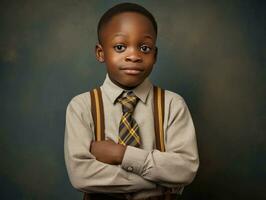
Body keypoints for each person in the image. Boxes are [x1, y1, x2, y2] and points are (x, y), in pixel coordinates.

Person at [64, 2, 199, 200]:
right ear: (101, 53)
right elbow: (81, 176)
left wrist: (122, 154)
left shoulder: (173, 104)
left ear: (155, 55)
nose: (134, 56)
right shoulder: (81, 107)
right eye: (120, 47)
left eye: (144, 48)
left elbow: (185, 170)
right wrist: (159, 183)